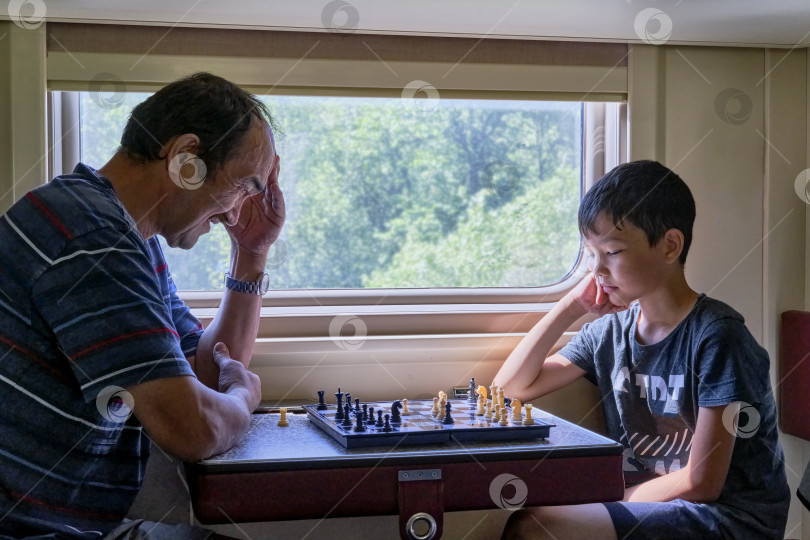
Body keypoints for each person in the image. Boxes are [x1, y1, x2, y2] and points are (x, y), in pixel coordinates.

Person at [0, 73, 284, 538]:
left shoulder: (128, 239)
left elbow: (207, 369)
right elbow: (192, 428)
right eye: (242, 188)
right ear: (184, 159)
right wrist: (244, 400)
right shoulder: (91, 236)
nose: (236, 214)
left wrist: (251, 253)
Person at [495, 161, 789, 540]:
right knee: (528, 516)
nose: (597, 270)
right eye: (590, 254)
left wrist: (613, 500)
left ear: (669, 246)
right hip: (658, 506)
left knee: (534, 528)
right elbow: (509, 390)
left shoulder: (718, 337)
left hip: (728, 519)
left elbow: (703, 481)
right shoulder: (610, 333)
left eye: (613, 252)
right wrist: (571, 304)